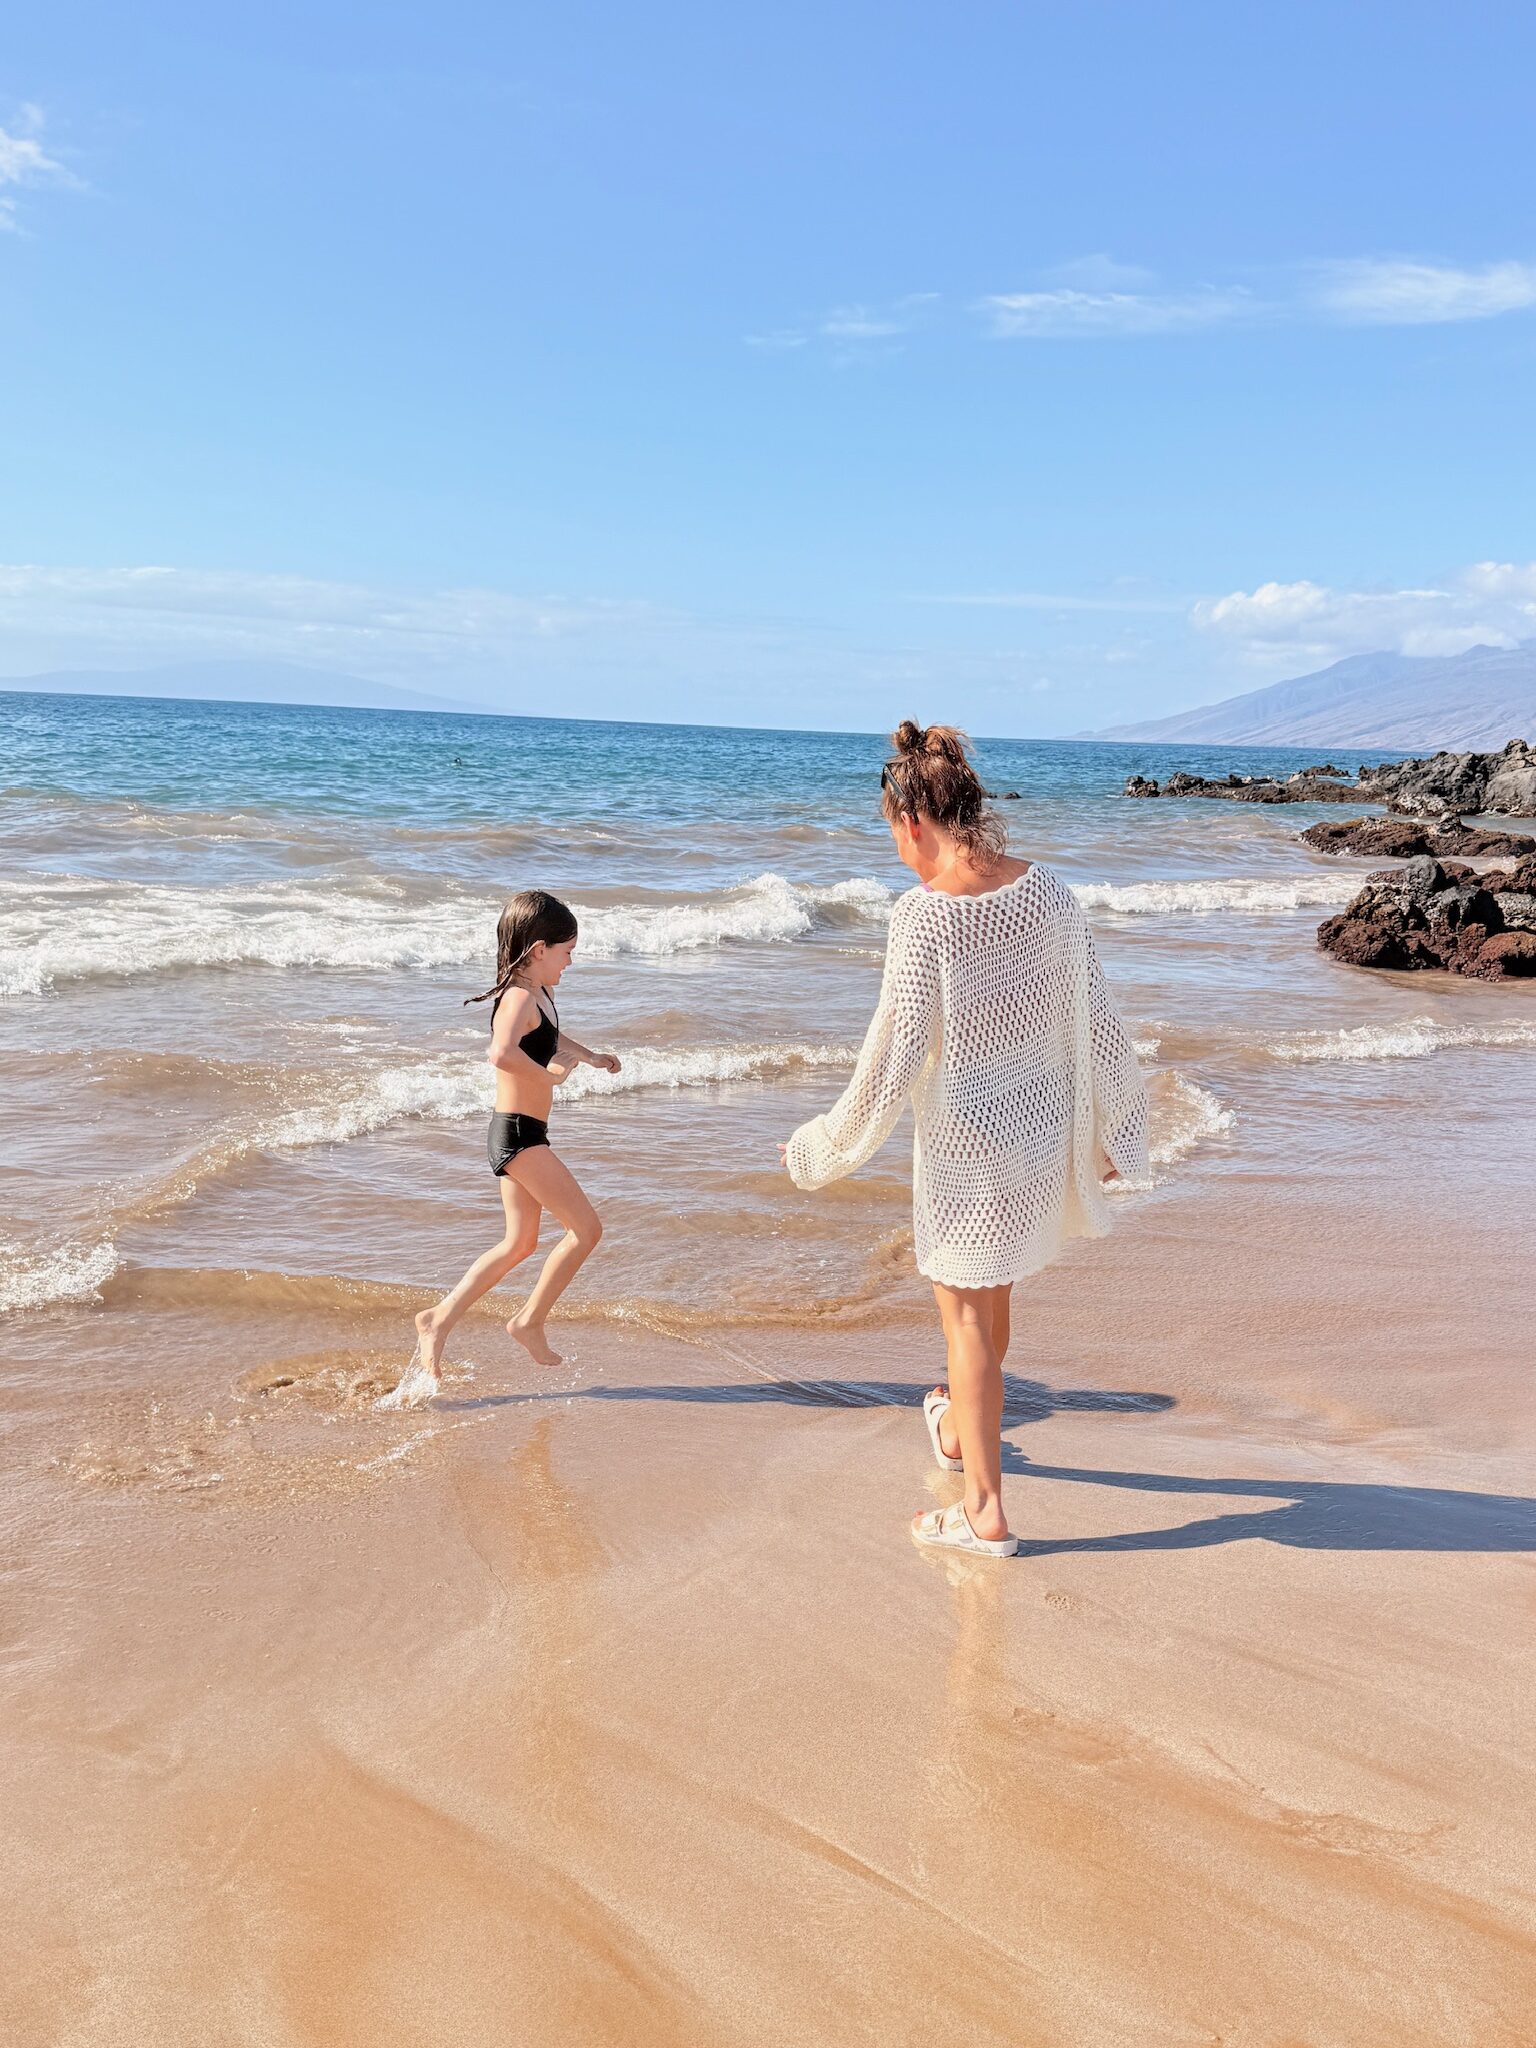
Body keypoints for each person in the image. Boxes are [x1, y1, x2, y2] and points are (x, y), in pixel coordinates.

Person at [782, 722, 1148, 1556]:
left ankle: (984, 1511)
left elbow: (892, 1057)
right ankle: (956, 1434)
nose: (897, 855)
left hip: (970, 1153)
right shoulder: (1049, 892)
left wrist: (820, 1146)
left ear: (912, 821)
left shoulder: (923, 917)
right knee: (992, 1304)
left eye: (892, 837)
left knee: (968, 1322)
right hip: (1039, 1136)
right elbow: (1097, 1018)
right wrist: (1114, 1126)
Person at [377, 889, 620, 1409]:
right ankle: (529, 1321)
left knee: (519, 1244)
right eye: (566, 951)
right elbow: (502, 1053)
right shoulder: (517, 998)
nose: (571, 961)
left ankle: (436, 1320)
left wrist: (590, 1056)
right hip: (517, 1135)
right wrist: (551, 1078)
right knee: (587, 1230)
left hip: (522, 1134)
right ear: (538, 950)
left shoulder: (537, 998)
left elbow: (548, 1037)